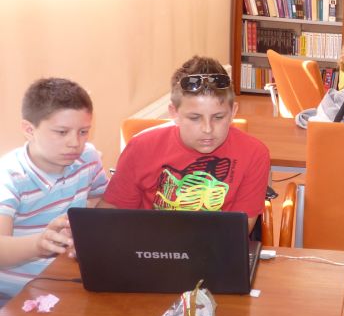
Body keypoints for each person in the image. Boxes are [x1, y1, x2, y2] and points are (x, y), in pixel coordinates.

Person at [100, 56, 270, 232]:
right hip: (148, 243)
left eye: (218, 117)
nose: (207, 129)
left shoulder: (254, 154)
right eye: (195, 118)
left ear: (233, 112)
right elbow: (113, 218)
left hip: (216, 246)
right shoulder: (140, 149)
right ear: (174, 113)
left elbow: (238, 232)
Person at [0, 78, 108, 306]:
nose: (75, 143)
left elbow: (101, 200)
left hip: (69, 281)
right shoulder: (9, 177)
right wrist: (38, 245)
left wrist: (91, 231)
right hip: (14, 297)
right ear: (29, 130)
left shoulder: (88, 158)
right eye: (61, 132)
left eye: (83, 132)